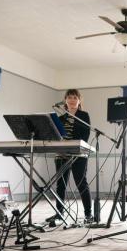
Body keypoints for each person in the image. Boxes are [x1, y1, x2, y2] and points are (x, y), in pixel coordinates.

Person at [46, 89, 93, 224]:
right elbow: (56, 136)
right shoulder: (60, 118)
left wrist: (73, 146)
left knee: (81, 183)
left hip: (79, 154)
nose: (72, 100)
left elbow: (85, 136)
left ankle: (88, 214)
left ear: (79, 100)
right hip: (62, 154)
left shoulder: (84, 115)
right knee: (61, 185)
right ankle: (59, 213)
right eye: (69, 97)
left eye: (75, 98)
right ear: (65, 100)